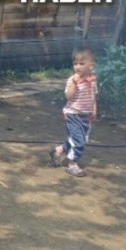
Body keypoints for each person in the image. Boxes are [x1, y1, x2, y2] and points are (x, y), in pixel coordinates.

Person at [49, 47, 98, 177]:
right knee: (79, 143)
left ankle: (58, 151)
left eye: (82, 64)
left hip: (85, 116)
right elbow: (68, 96)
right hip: (73, 115)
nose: (78, 67)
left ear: (91, 65)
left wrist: (93, 110)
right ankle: (72, 164)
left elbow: (93, 96)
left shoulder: (92, 81)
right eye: (75, 64)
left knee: (77, 140)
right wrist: (74, 84)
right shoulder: (72, 80)